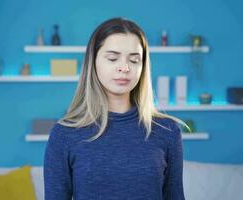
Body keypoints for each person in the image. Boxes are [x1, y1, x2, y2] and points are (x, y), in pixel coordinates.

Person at [44, 17, 186, 200]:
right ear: (93, 62)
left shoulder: (167, 131)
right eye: (113, 58)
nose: (124, 68)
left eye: (134, 60)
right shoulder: (64, 134)